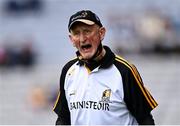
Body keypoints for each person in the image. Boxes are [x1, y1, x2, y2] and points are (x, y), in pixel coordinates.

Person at [53, 10, 158, 125]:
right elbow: (63, 118)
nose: (82, 39)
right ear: (71, 39)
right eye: (76, 33)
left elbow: (145, 119)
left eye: (87, 31)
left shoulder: (124, 71)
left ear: (101, 33)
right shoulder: (68, 70)